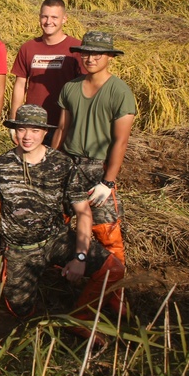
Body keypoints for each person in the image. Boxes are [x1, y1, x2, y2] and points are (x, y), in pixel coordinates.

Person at [0, 105, 124, 327]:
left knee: (113, 269)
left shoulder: (63, 164)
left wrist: (80, 257)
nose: (27, 136)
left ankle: (80, 320)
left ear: (45, 132)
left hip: (56, 239)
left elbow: (83, 213)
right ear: (14, 131)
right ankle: (34, 329)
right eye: (22, 130)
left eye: (35, 130)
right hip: (20, 249)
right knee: (19, 309)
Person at [52, 32, 135, 266]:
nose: (90, 58)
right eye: (86, 53)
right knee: (58, 221)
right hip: (69, 163)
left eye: (97, 53)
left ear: (109, 56)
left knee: (107, 232)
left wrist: (107, 182)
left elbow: (121, 141)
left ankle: (114, 290)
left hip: (98, 168)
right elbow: (61, 129)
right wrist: (51, 162)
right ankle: (65, 276)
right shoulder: (70, 88)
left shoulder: (120, 91)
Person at [9, 0, 81, 134]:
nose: (48, 22)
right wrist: (14, 121)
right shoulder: (28, 48)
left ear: (64, 19)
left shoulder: (76, 49)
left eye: (54, 17)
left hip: (65, 125)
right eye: (45, 17)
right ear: (39, 18)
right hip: (33, 124)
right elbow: (20, 85)